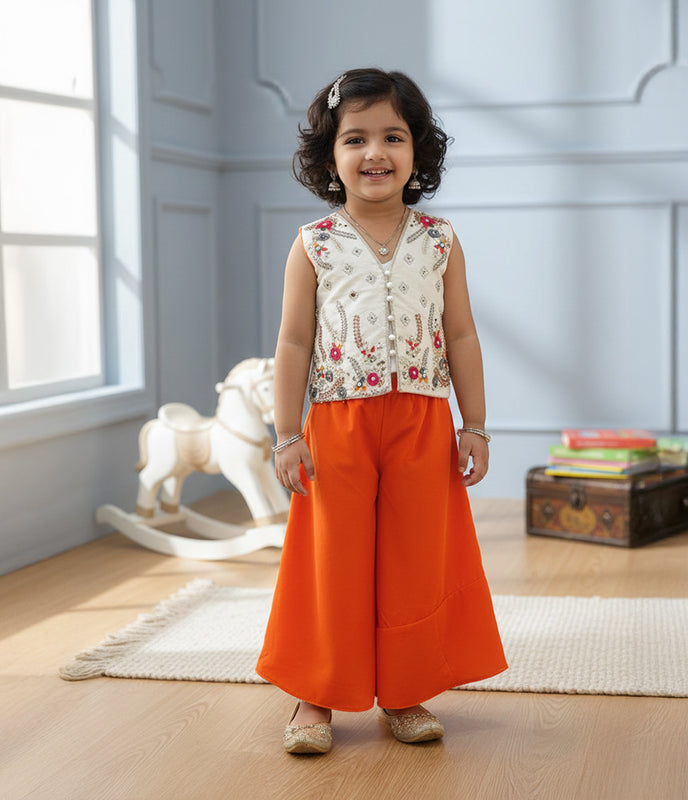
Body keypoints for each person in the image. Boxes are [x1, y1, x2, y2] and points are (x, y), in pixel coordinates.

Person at [255, 68, 507, 755]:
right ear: (329, 159)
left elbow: (461, 335)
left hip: (422, 423)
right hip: (336, 423)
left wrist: (474, 424)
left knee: (416, 557)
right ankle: (317, 695)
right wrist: (285, 435)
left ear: (418, 152)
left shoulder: (440, 240)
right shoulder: (314, 244)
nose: (375, 153)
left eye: (393, 136)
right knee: (331, 557)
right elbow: (294, 342)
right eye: (355, 138)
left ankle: (404, 689)